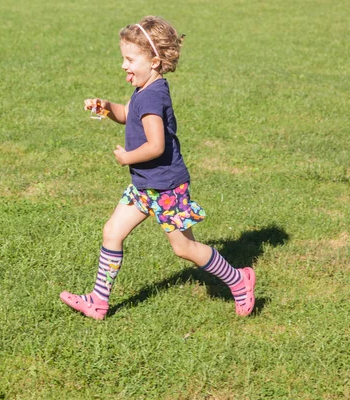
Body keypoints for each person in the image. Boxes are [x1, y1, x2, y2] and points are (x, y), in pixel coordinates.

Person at [60, 16, 255, 320]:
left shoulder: (152, 96)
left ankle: (239, 280)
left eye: (129, 59)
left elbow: (156, 146)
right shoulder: (144, 88)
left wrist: (127, 158)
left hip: (165, 188)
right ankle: (98, 302)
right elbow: (127, 114)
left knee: (185, 249)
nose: (124, 65)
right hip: (144, 186)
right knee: (112, 232)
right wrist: (106, 107)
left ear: (153, 61)